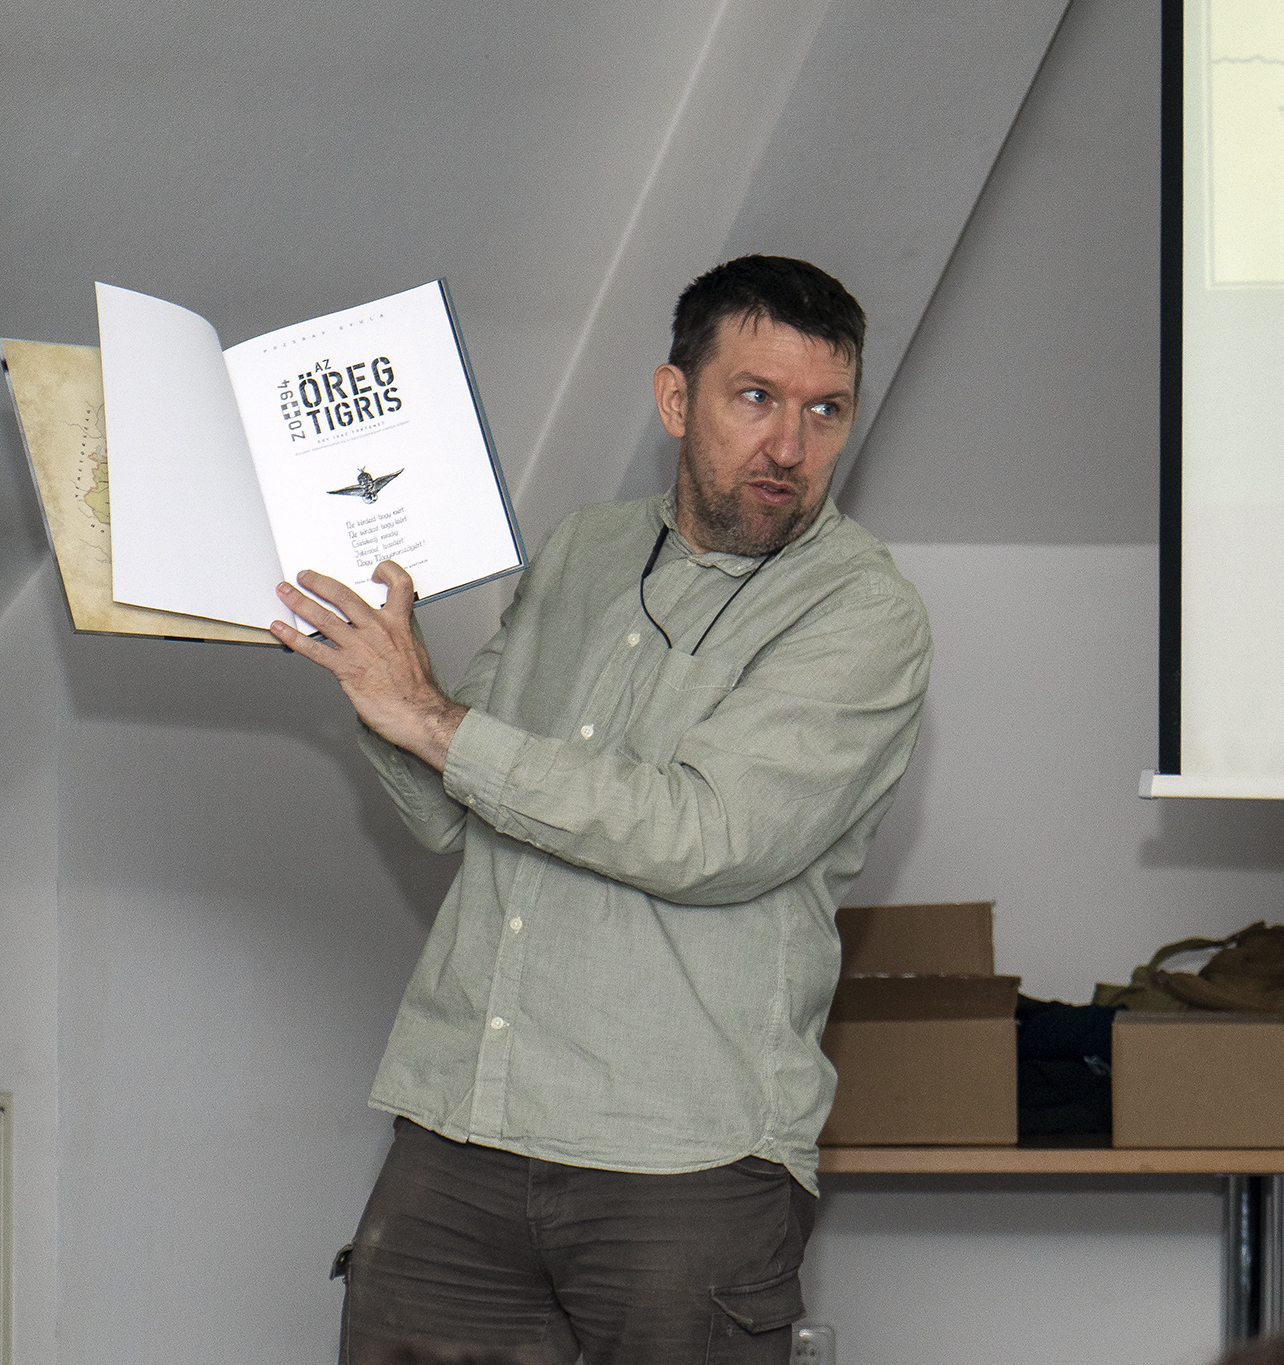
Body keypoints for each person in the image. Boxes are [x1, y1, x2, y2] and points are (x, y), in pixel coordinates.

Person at [272, 255, 932, 1364]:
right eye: (756, 397)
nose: (789, 445)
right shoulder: (582, 549)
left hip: (684, 1160)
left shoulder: (864, 612)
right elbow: (453, 811)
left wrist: (432, 718)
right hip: (461, 1125)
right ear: (676, 400)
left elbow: (703, 835)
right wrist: (375, 682)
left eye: (826, 411)